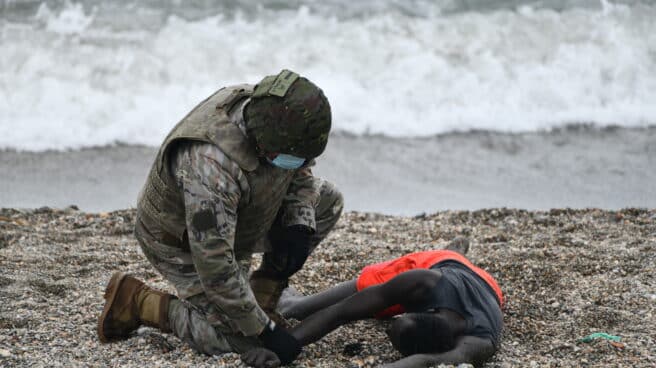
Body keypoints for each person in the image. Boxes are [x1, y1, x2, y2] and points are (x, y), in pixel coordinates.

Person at [97, 69, 343, 365]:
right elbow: (215, 267)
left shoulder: (276, 117)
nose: (300, 162)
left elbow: (300, 169)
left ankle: (263, 295)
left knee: (326, 202)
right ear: (264, 144)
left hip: (241, 214)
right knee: (236, 341)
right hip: (181, 240)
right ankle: (139, 302)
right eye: (290, 155)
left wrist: (298, 224)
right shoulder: (211, 165)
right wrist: (263, 331)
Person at [241, 238, 503, 368]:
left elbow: (430, 360)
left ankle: (459, 251)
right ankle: (294, 304)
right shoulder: (425, 281)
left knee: (381, 303)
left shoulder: (481, 339)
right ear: (426, 310)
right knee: (370, 285)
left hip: (490, 288)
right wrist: (284, 346)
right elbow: (342, 311)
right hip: (441, 263)